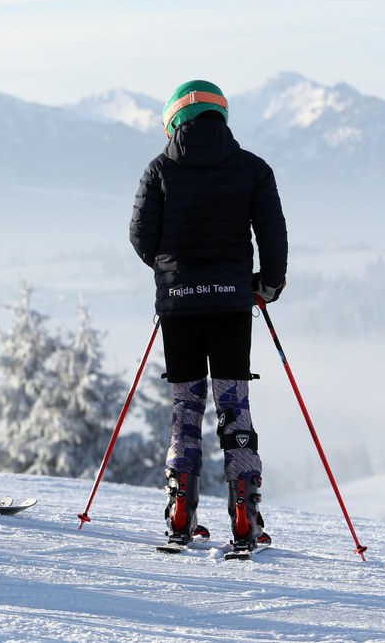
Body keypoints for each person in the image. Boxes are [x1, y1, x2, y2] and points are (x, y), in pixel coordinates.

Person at [128, 79, 287, 553]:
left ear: (174, 119)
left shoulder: (159, 169)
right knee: (233, 406)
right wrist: (267, 284)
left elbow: (140, 236)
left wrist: (171, 272)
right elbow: (272, 234)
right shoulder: (253, 169)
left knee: (186, 408)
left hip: (179, 305)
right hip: (233, 303)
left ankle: (182, 509)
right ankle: (244, 512)